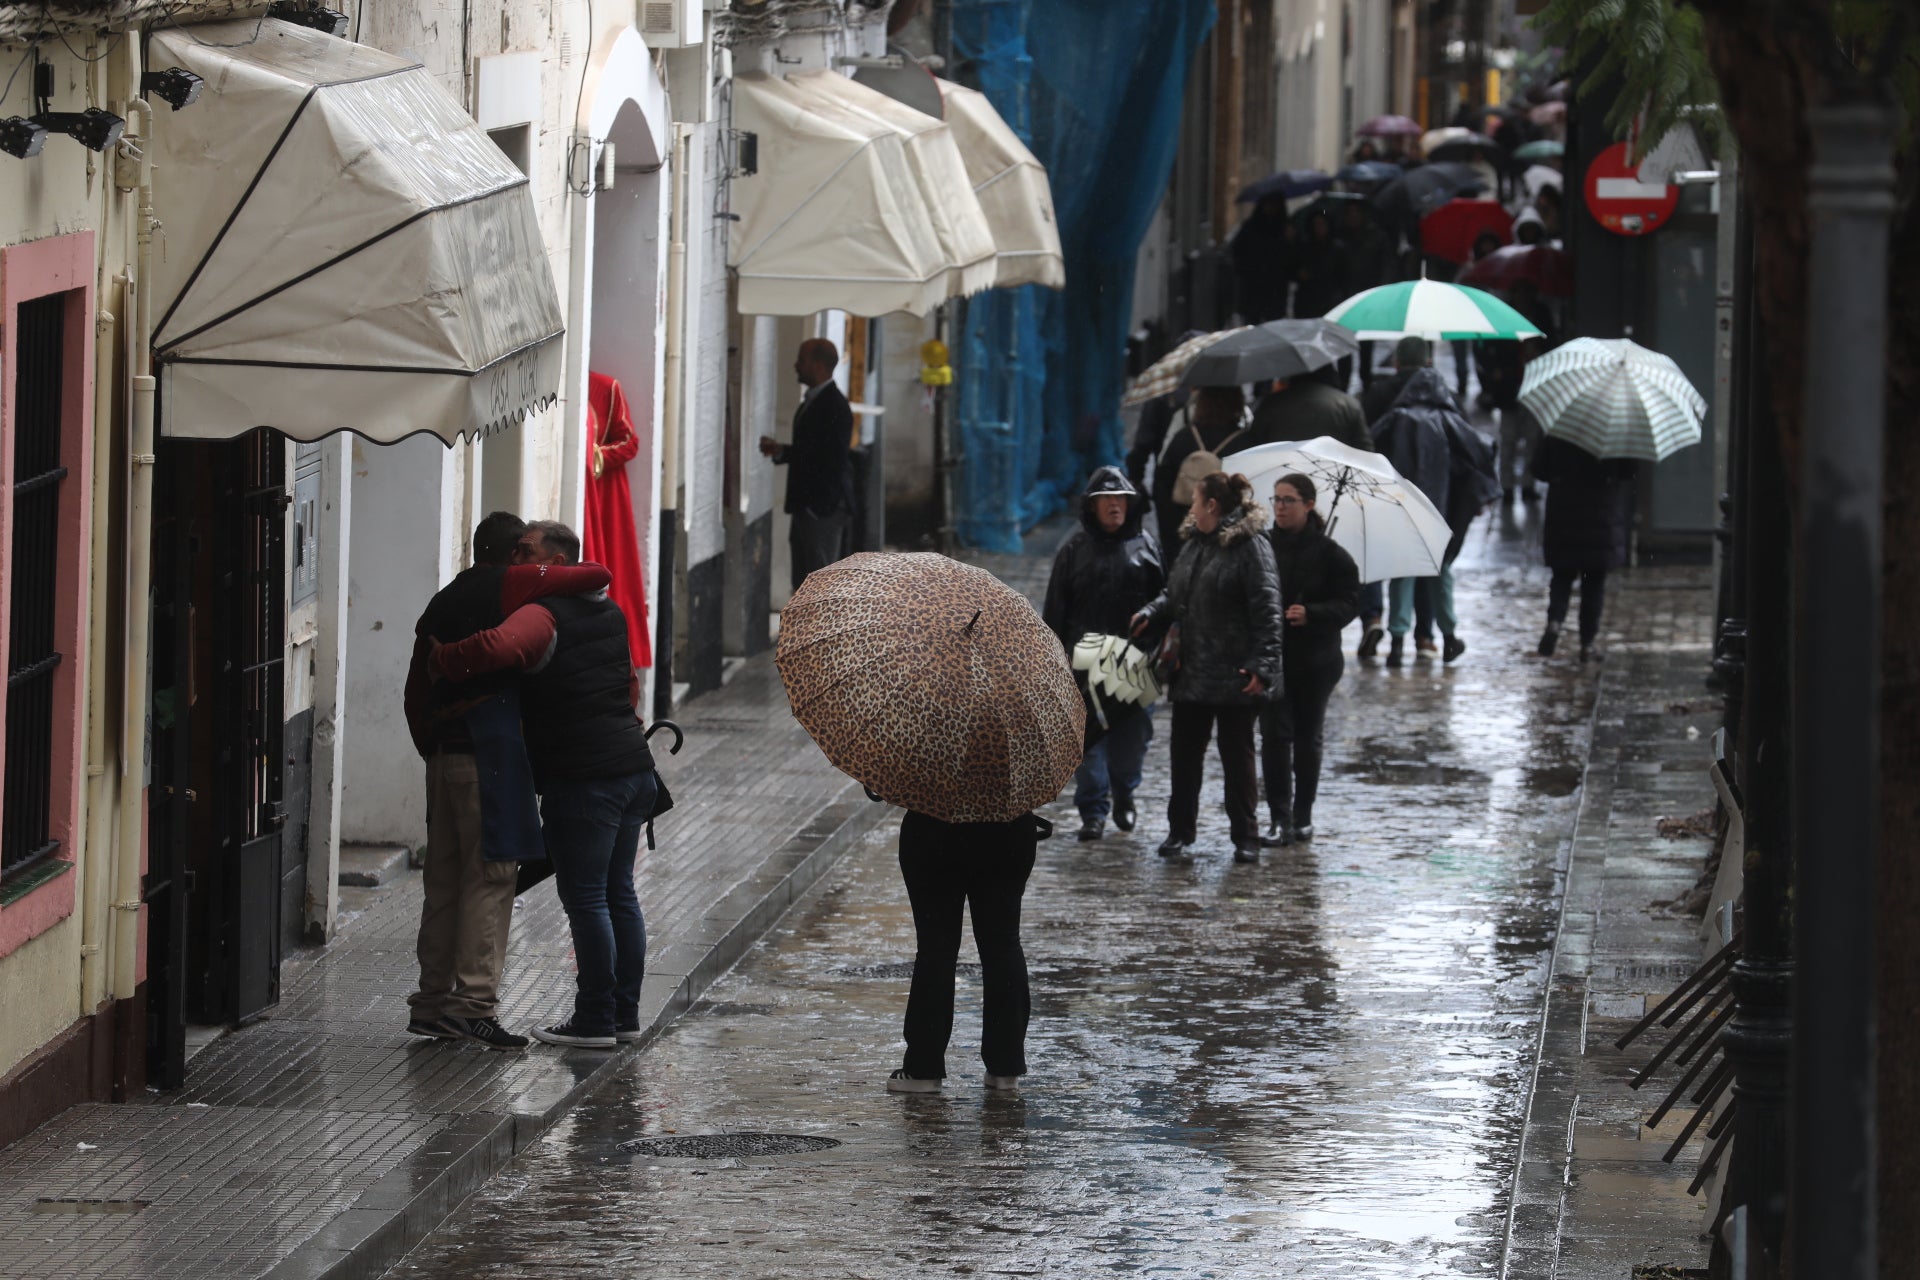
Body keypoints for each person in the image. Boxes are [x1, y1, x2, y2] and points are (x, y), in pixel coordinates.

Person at [429, 520, 660, 1049]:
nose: (517, 560)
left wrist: (444, 659)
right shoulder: (611, 610)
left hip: (585, 779)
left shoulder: (543, 613)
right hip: (633, 768)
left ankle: (595, 1020)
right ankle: (624, 1015)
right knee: (619, 893)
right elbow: (627, 688)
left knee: (588, 900)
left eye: (528, 552)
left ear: (555, 563)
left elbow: (494, 647)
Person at [402, 512, 612, 1051]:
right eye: (522, 551)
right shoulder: (507, 584)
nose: (526, 562)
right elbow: (594, 576)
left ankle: (430, 1002)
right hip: (487, 754)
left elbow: (412, 692)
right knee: (490, 877)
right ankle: (473, 1005)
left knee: (443, 880)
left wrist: (432, 743)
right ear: (510, 553)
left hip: (445, 756)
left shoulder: (442, 600)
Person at [1131, 472, 1283, 864]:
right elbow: (1176, 593)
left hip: (1234, 675)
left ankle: (1245, 836)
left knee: (1237, 758)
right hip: (1191, 671)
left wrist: (1261, 667)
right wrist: (1152, 612)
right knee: (1184, 758)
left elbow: (1268, 612)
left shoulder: (1251, 547)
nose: (1191, 509)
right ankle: (1180, 832)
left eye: (1195, 502)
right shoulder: (1195, 544)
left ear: (1212, 506)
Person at [1042, 467, 1165, 842]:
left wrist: (1154, 629)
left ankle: (1125, 792)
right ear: (1092, 508)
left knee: (1132, 739)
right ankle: (1092, 809)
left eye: (1120, 500)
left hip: (1132, 661)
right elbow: (1055, 611)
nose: (1115, 507)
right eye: (1106, 501)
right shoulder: (1073, 551)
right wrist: (1053, 659)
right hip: (1084, 661)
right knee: (1088, 742)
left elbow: (1167, 599)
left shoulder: (1146, 546)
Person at [886, 810, 1045, 1094]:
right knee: (1003, 944)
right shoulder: (1012, 766)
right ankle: (1005, 1067)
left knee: (936, 946)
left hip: (932, 829)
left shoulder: (925, 763)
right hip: (1007, 831)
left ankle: (922, 1068)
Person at [1371, 366, 1496, 666]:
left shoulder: (1396, 418)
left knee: (1403, 574)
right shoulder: (1449, 421)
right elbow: (1483, 450)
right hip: (1439, 511)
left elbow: (1369, 447)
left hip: (1402, 508)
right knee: (1441, 575)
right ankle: (1449, 636)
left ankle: (1397, 643)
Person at [1261, 474, 1359, 847]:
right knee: (1273, 737)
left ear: (1308, 505)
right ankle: (1278, 816)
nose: (1281, 507)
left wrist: (1313, 613)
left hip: (1315, 661)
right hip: (1274, 658)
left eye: (1288, 500)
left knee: (1306, 738)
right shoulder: (1263, 545)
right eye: (1277, 499)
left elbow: (1350, 601)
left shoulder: (1331, 554)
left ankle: (1303, 814)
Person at [760, 338, 855, 592]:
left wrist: (817, 508)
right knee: (803, 583)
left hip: (821, 509)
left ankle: (822, 632)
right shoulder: (811, 402)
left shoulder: (835, 405)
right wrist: (782, 452)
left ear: (819, 365)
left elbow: (832, 458)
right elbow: (813, 450)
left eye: (802, 360)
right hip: (807, 506)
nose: (795, 365)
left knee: (820, 585)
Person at [1534, 436, 1635, 662]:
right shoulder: (1616, 432)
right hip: (1600, 512)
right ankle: (1587, 643)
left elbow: (1538, 469)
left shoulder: (1559, 428)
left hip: (1564, 510)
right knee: (1593, 583)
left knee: (1561, 576)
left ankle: (1555, 621)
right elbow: (1628, 471)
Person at [1150, 385, 1247, 556]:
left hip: (1184, 528)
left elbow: (1162, 483)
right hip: (1227, 535)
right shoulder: (1244, 443)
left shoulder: (1184, 437)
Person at [1235, 363, 1371, 455]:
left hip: (1283, 472)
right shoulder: (1348, 404)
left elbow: (1255, 443)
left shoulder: (1272, 403)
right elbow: (1365, 450)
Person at [1229, 196, 1298, 324]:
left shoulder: (1285, 228)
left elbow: (1292, 259)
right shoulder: (1251, 227)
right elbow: (1237, 252)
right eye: (1268, 204)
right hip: (1253, 286)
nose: (1271, 208)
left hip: (1275, 288)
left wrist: (1290, 241)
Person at [1290, 209, 1348, 319]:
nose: (1319, 227)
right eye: (1316, 224)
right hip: (1308, 301)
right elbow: (1293, 270)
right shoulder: (1304, 248)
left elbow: (1344, 275)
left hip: (1331, 300)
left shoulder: (1337, 248)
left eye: (1322, 224)